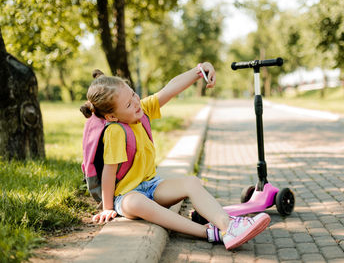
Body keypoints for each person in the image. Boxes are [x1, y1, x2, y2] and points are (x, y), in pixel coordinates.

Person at [79, 63, 271, 250]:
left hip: (152, 186)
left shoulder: (142, 110)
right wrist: (107, 207)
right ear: (112, 117)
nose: (136, 102)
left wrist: (198, 71)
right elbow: (109, 172)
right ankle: (209, 233)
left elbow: (169, 89)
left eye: (133, 94)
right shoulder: (115, 131)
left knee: (191, 183)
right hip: (126, 197)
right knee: (137, 202)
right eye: (128, 104)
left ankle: (228, 226)